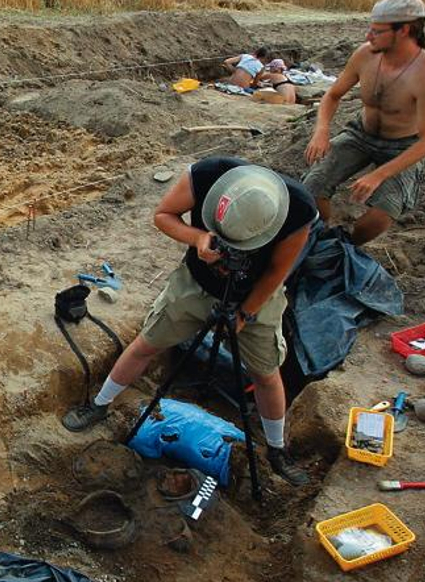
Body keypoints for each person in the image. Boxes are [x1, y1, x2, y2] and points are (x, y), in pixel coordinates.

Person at [62, 156, 318, 487]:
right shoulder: (207, 174)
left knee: (267, 375)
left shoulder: (298, 209)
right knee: (146, 344)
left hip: (258, 295)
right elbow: (163, 215)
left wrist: (244, 314)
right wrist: (197, 238)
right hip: (195, 285)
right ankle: (99, 405)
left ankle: (276, 449)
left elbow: (275, 272)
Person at [303, 0, 425, 245]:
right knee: (312, 187)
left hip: (404, 145)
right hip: (360, 134)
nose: (368, 35)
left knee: (382, 214)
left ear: (404, 31)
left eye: (377, 31)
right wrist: (321, 130)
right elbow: (332, 95)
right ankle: (322, 239)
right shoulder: (365, 54)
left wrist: (378, 175)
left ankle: (346, 246)